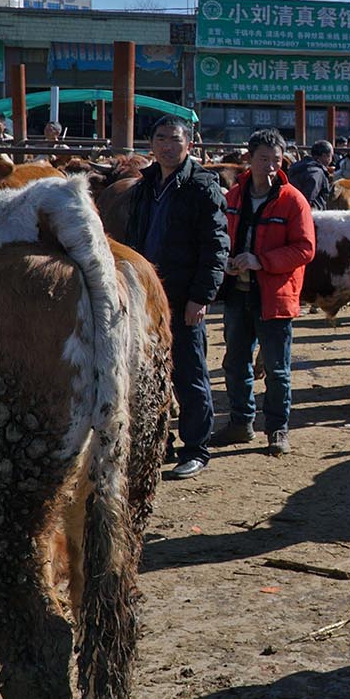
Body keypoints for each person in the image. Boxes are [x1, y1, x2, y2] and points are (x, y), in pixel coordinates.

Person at [125, 117, 230, 480]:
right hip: (147, 295)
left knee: (189, 372)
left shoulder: (202, 186)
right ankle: (160, 442)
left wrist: (201, 297)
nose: (167, 146)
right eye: (160, 139)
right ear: (151, 144)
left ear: (189, 145)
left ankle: (196, 448)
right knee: (150, 371)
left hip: (184, 296)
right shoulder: (146, 185)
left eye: (174, 139)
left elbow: (216, 247)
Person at [219, 129, 316, 456]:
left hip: (275, 296)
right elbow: (222, 237)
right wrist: (227, 261)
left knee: (277, 369)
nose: (271, 166)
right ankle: (241, 423)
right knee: (235, 363)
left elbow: (305, 249)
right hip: (237, 293)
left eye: (276, 159)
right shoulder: (234, 197)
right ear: (250, 159)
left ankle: (277, 429)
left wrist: (261, 261)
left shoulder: (292, 200)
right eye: (264, 159)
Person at [288, 139, 336, 210]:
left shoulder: (297, 166)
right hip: (310, 212)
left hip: (291, 207)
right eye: (331, 156)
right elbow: (309, 198)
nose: (331, 159)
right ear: (325, 156)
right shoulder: (317, 173)